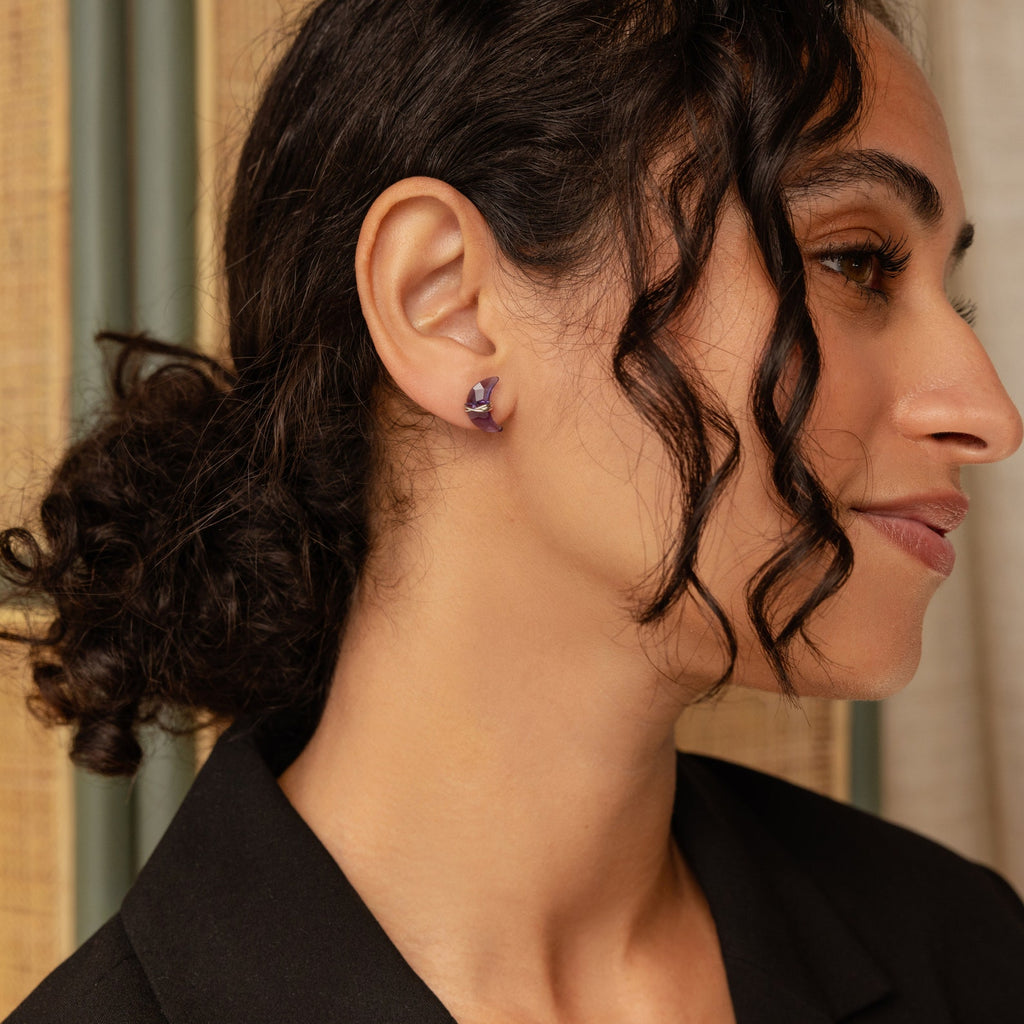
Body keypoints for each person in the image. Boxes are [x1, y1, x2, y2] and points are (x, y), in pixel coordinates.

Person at [3, 0, 1024, 1020]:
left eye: (955, 297)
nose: (988, 413)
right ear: (447, 304)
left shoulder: (966, 952)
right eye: (855, 261)